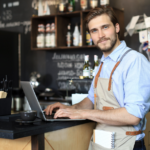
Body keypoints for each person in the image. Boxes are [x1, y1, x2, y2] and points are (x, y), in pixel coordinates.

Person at [44, 7, 150, 150]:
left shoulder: (135, 61)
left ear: (117, 27)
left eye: (105, 27)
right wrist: (71, 108)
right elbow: (91, 99)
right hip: (101, 144)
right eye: (94, 30)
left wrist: (82, 113)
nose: (101, 35)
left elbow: (133, 115)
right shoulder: (103, 63)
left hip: (127, 145)